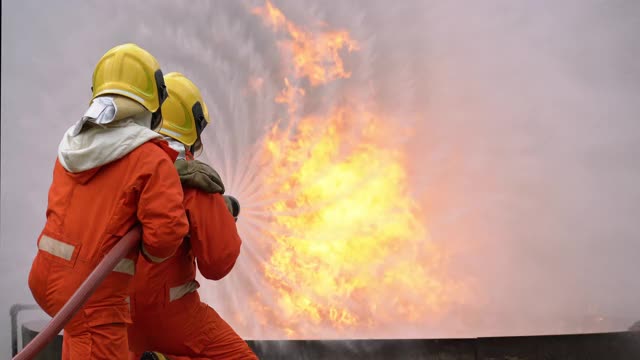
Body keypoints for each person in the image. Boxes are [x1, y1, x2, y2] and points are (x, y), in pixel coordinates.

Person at [28, 44, 190, 359]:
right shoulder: (151, 159)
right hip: (93, 299)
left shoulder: (72, 145)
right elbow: (166, 235)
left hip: (48, 280)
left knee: (79, 341)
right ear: (153, 104)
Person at [127, 72, 257, 360]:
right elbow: (217, 263)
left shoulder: (120, 161)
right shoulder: (193, 178)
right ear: (193, 125)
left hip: (111, 313)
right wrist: (217, 216)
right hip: (170, 315)